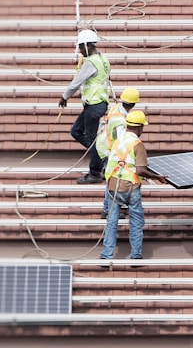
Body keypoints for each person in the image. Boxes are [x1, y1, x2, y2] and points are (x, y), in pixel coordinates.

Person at [101, 111, 167, 260]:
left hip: (113, 186)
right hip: (131, 187)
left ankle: (106, 255)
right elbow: (141, 170)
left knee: (111, 223)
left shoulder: (118, 141)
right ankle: (135, 255)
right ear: (139, 128)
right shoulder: (138, 144)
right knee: (136, 222)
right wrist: (158, 177)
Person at [59, 29, 111, 184]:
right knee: (76, 131)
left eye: (81, 47)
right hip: (96, 104)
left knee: (91, 139)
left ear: (88, 45)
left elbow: (77, 82)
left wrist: (64, 97)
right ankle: (102, 156)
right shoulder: (103, 58)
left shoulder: (90, 62)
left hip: (94, 105)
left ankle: (95, 172)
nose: (80, 51)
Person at [97, 87, 140, 219]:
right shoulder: (120, 122)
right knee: (112, 177)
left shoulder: (116, 108)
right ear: (133, 104)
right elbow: (122, 142)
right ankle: (107, 209)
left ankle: (108, 208)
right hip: (108, 148)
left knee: (112, 176)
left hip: (105, 144)